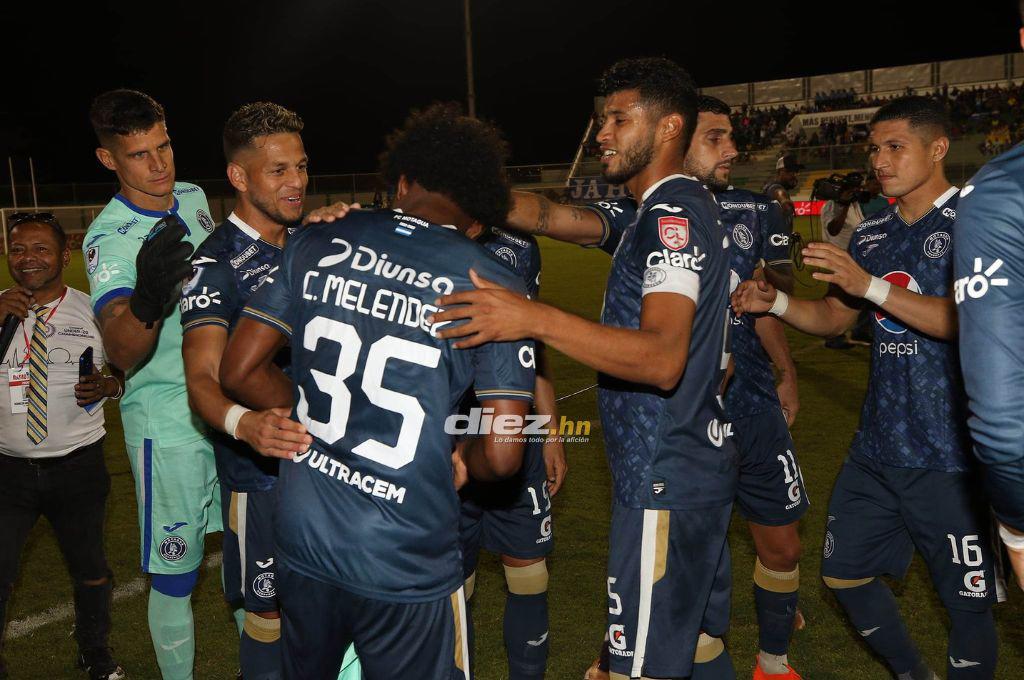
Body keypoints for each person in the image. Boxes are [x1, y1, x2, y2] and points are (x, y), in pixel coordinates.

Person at [431, 57, 738, 680]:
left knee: (636, 667)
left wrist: (532, 317)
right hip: (677, 474)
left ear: (669, 126)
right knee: (696, 648)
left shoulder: (672, 216)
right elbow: (544, 216)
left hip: (667, 476)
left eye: (620, 120)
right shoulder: (648, 211)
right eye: (603, 119)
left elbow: (661, 358)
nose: (602, 133)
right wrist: (448, 182)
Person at [219, 103, 536, 680]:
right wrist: (466, 459)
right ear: (478, 216)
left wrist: (316, 420)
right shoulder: (494, 281)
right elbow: (507, 448)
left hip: (306, 532)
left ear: (403, 181)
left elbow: (238, 371)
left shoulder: (318, 237)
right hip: (405, 553)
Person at [733, 96, 998, 680]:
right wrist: (772, 300)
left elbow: (968, 320)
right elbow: (834, 318)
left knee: (968, 606)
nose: (880, 159)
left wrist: (870, 286)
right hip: (878, 445)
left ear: (937, 149)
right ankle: (912, 672)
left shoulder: (977, 221)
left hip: (952, 452)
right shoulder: (873, 232)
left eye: (894, 146)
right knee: (844, 572)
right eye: (874, 148)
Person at [179, 102, 361, 680]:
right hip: (263, 479)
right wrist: (244, 424)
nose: (297, 183)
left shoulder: (314, 242)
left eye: (302, 167)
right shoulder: (214, 266)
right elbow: (203, 381)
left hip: (338, 463)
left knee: (349, 607)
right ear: (239, 177)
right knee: (269, 616)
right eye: (278, 171)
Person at [83, 89, 217, 680]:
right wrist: (146, 299)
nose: (159, 165)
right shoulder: (109, 237)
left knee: (248, 554)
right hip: (167, 419)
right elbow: (120, 349)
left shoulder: (192, 196)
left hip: (226, 401)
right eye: (139, 155)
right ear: (109, 159)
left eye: (163, 146)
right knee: (176, 571)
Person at [684, 96, 805, 680]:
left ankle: (773, 662)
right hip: (685, 408)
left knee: (782, 547)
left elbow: (769, 302)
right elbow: (562, 220)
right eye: (716, 137)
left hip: (754, 400)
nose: (733, 150)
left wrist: (786, 371)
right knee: (699, 555)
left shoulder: (755, 210)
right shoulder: (646, 213)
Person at [0, 214, 126, 680]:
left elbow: (123, 373)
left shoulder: (94, 311)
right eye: (17, 249)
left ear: (64, 257)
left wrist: (109, 386)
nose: (27, 258)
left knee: (90, 566)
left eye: (40, 249)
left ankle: (95, 650)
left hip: (78, 465)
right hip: (7, 470)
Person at [458, 224, 565, 680]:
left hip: (515, 436)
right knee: (451, 586)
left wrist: (552, 431)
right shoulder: (422, 242)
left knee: (529, 575)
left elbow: (533, 347)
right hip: (447, 444)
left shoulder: (521, 248)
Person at [953, 6, 1024, 590]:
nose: (878, 161)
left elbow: (1004, 426)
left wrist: (1017, 532)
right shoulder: (875, 233)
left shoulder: (999, 193)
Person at [820, 172, 887, 349]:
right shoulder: (831, 206)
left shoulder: (854, 204)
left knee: (856, 296)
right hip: (838, 257)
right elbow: (833, 229)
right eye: (851, 190)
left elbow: (859, 224)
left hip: (853, 257)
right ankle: (832, 336)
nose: (854, 193)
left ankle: (852, 331)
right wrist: (844, 205)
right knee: (836, 300)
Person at [762, 155, 803, 229]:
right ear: (779, 172)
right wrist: (784, 201)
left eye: (795, 171)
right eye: (789, 171)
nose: (793, 175)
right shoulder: (774, 187)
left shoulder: (772, 185)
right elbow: (778, 193)